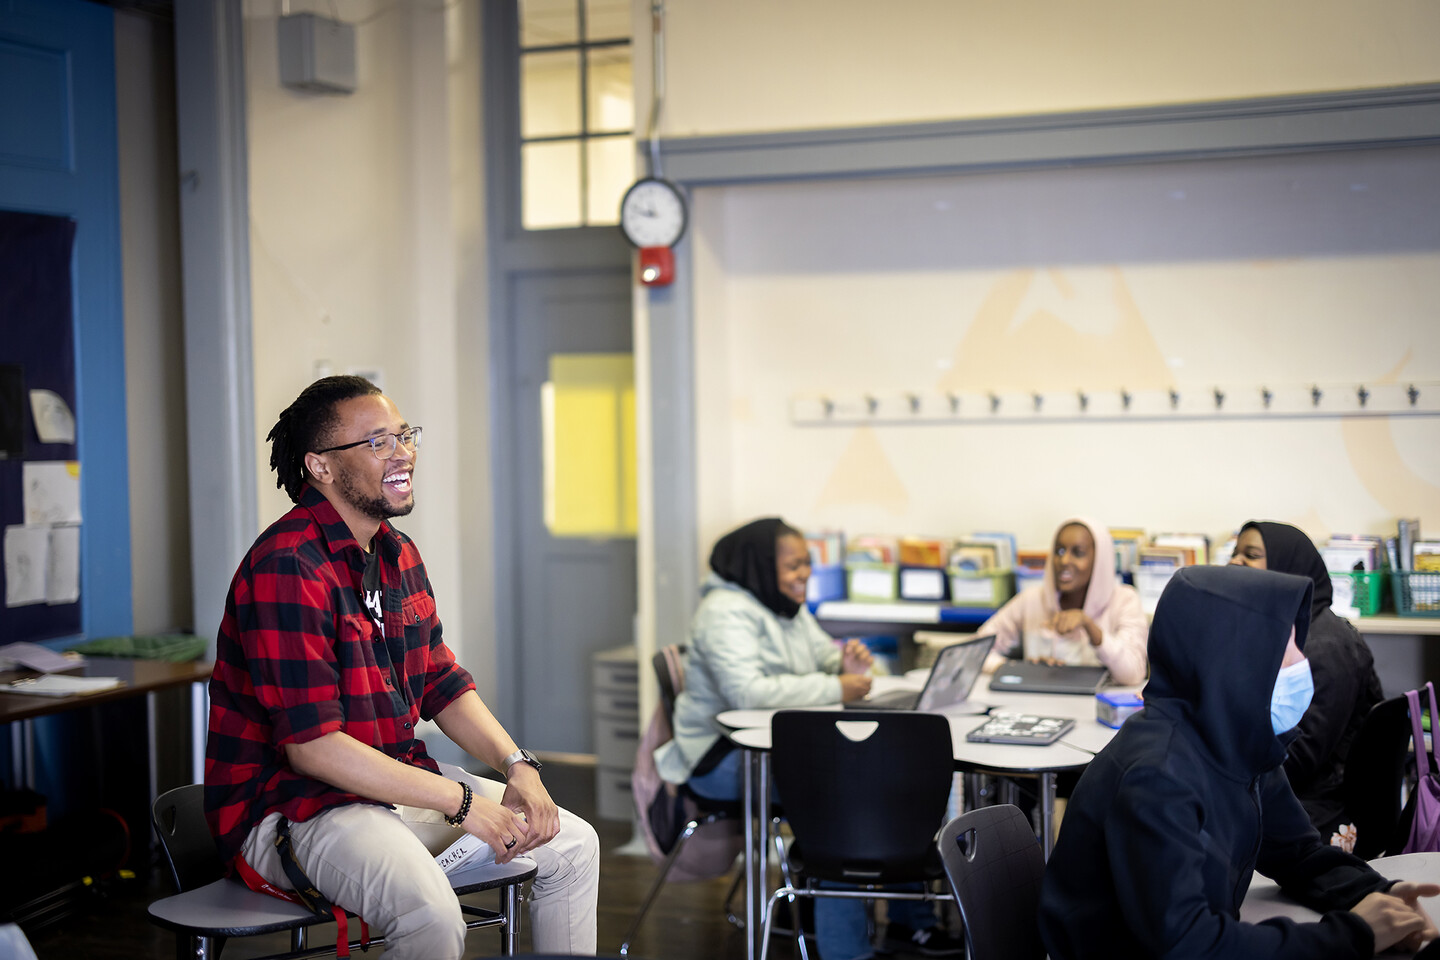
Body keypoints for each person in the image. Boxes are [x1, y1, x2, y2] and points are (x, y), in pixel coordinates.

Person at [205, 376, 599, 960]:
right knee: (431, 916)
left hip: (388, 787)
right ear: (321, 467)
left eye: (403, 435)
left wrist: (519, 766)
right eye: (377, 442)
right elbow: (314, 750)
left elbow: (441, 682)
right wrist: (462, 804)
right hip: (296, 808)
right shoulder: (287, 566)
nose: (402, 453)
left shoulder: (397, 552)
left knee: (572, 847)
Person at [1039, 564, 1438, 959]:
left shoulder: (1240, 741)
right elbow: (1188, 946)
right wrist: (1354, 934)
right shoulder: (1156, 775)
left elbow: (1300, 855)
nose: (1301, 661)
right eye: (1285, 646)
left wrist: (1377, 895)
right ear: (1231, 658)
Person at [654, 518, 962, 960]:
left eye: (807, 564)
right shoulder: (723, 612)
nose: (805, 575)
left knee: (889, 783)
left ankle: (908, 923)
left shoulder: (782, 604)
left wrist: (846, 657)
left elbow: (821, 653)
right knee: (841, 799)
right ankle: (846, 951)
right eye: (794, 565)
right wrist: (837, 686)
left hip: (774, 748)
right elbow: (748, 693)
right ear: (760, 566)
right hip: (720, 758)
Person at [1229, 520, 1385, 837]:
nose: (1235, 561)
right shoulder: (1279, 628)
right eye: (1235, 552)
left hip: (1316, 807)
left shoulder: (1325, 648)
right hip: (1288, 791)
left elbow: (1298, 759)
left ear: (1290, 566)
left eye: (1251, 554)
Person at [978, 517, 1147, 685]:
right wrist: (1021, 669)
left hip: (1098, 706)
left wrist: (1090, 627)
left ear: (1099, 560)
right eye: (1059, 551)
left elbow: (1133, 675)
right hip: (1041, 704)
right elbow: (976, 651)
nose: (1065, 561)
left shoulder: (1124, 599)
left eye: (1078, 553)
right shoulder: (1032, 599)